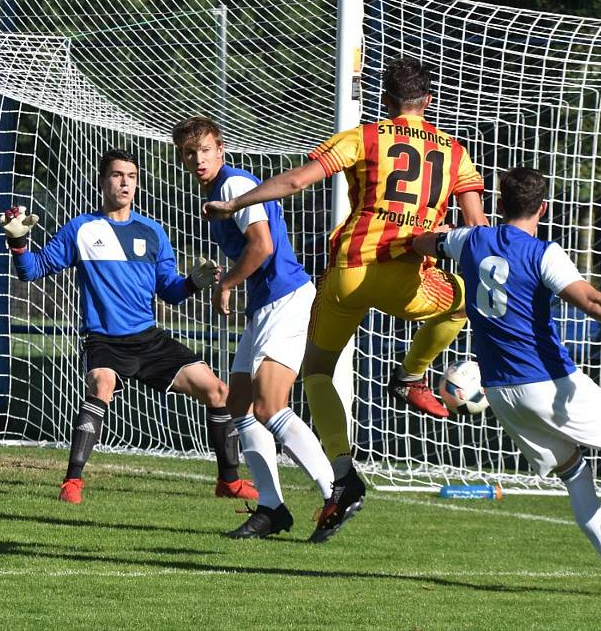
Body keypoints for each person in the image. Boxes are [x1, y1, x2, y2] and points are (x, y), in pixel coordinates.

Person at [203, 57, 489, 542]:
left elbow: (295, 181)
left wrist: (236, 203)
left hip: (349, 275)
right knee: (459, 303)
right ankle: (412, 374)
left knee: (316, 371)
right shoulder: (456, 152)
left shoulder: (365, 136)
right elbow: (478, 229)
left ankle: (343, 470)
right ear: (430, 102)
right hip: (407, 279)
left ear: (385, 100)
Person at [412, 167, 601, 596]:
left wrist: (431, 240)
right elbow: (595, 303)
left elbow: (423, 241)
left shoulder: (468, 240)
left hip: (499, 391)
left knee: (575, 475)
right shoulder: (544, 253)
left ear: (499, 203)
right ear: (543, 208)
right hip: (544, 379)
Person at [0, 148, 258, 504]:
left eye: (132, 177)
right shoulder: (81, 228)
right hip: (104, 340)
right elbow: (31, 270)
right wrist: (17, 242)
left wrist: (194, 282)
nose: (125, 182)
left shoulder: (152, 232)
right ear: (102, 181)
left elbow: (171, 292)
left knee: (217, 391)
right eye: (118, 175)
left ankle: (228, 482)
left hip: (148, 341)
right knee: (101, 383)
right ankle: (72, 482)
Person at [173, 117, 335, 539]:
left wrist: (226, 284)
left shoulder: (231, 185)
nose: (198, 159)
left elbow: (262, 246)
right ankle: (271, 508)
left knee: (269, 406)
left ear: (220, 150)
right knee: (239, 404)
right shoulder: (219, 189)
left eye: (205, 150)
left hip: (285, 298)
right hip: (267, 304)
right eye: (190, 153)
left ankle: (336, 491)